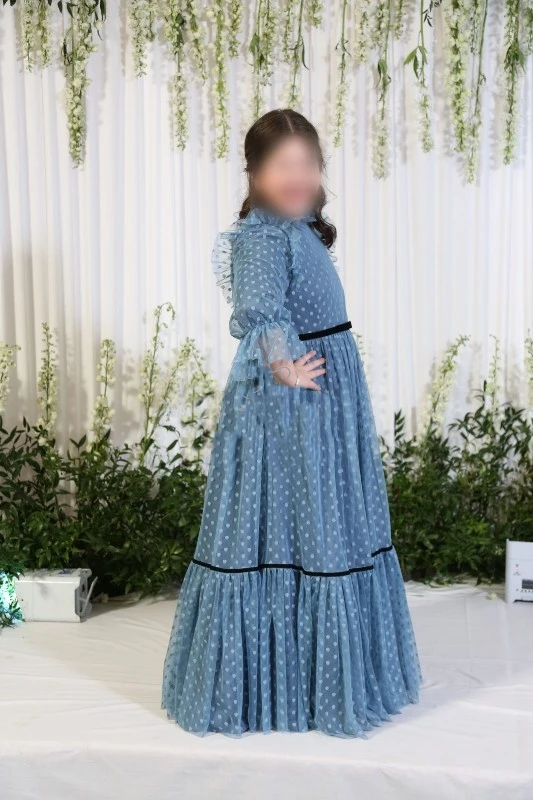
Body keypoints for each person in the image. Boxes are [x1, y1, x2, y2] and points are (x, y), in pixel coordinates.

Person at [162, 108, 421, 738]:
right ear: (254, 173)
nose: (299, 176)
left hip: (322, 393)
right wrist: (282, 364)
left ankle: (311, 679)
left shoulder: (298, 228)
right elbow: (261, 309)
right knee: (289, 524)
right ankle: (276, 688)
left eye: (309, 163)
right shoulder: (261, 236)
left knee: (317, 523)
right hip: (289, 397)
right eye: (284, 165)